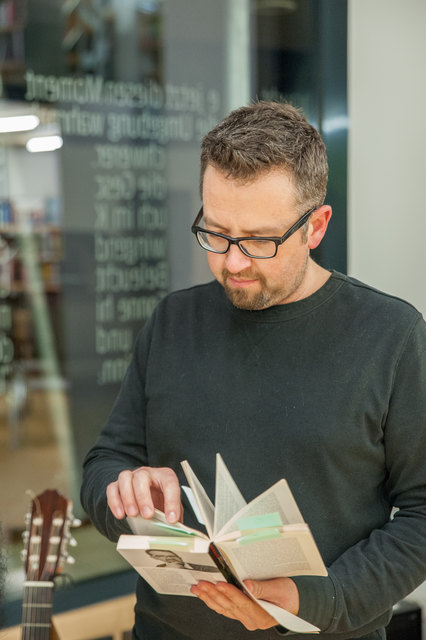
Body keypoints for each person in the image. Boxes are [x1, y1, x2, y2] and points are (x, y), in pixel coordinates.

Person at [81, 101, 426, 640]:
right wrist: (122, 494)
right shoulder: (174, 321)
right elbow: (106, 462)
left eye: (260, 241)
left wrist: (315, 600)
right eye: (216, 233)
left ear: (316, 226)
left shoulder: (391, 335)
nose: (233, 262)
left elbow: (423, 515)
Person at [145, 549, 221, 572]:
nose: (169, 558)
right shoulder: (157, 571)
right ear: (154, 558)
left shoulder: (210, 568)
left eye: (170, 555)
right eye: (160, 556)